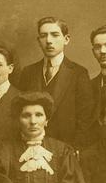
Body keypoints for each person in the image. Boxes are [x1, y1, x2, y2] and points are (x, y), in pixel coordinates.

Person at [18, 17, 93, 149]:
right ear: (38, 41)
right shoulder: (28, 72)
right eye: (43, 36)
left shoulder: (79, 73)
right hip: (31, 146)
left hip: (66, 149)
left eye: (55, 35)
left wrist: (75, 148)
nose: (48, 41)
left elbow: (85, 119)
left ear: (66, 39)